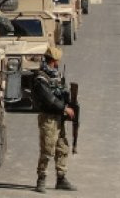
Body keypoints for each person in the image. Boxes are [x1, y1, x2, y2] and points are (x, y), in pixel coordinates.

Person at [32, 47, 77, 193]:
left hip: (59, 118)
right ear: (54, 60)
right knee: (47, 150)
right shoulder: (41, 78)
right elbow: (48, 99)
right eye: (57, 60)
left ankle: (61, 178)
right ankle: (41, 179)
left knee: (62, 147)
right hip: (48, 118)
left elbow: (62, 92)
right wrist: (64, 108)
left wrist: (70, 102)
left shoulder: (56, 75)